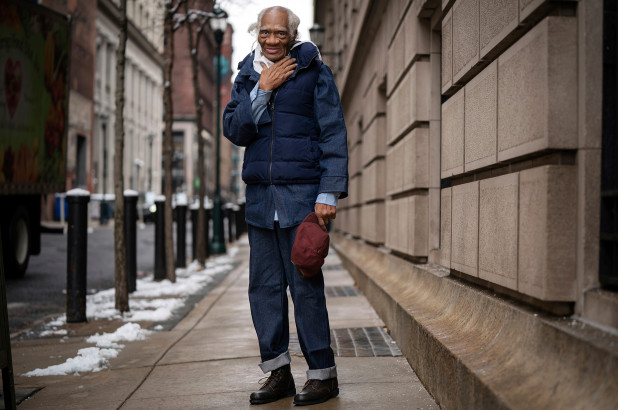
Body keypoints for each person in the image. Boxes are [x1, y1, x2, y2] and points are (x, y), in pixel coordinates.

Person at [222, 6, 348, 406]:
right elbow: (234, 129)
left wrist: (328, 192)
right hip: (260, 201)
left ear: (292, 35)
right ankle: (278, 374)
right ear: (257, 33)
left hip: (301, 199)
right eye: (265, 33)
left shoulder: (314, 70)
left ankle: (323, 376)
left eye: (279, 33)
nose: (271, 40)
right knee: (263, 290)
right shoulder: (246, 73)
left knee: (305, 287)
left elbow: (332, 133)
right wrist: (262, 89)